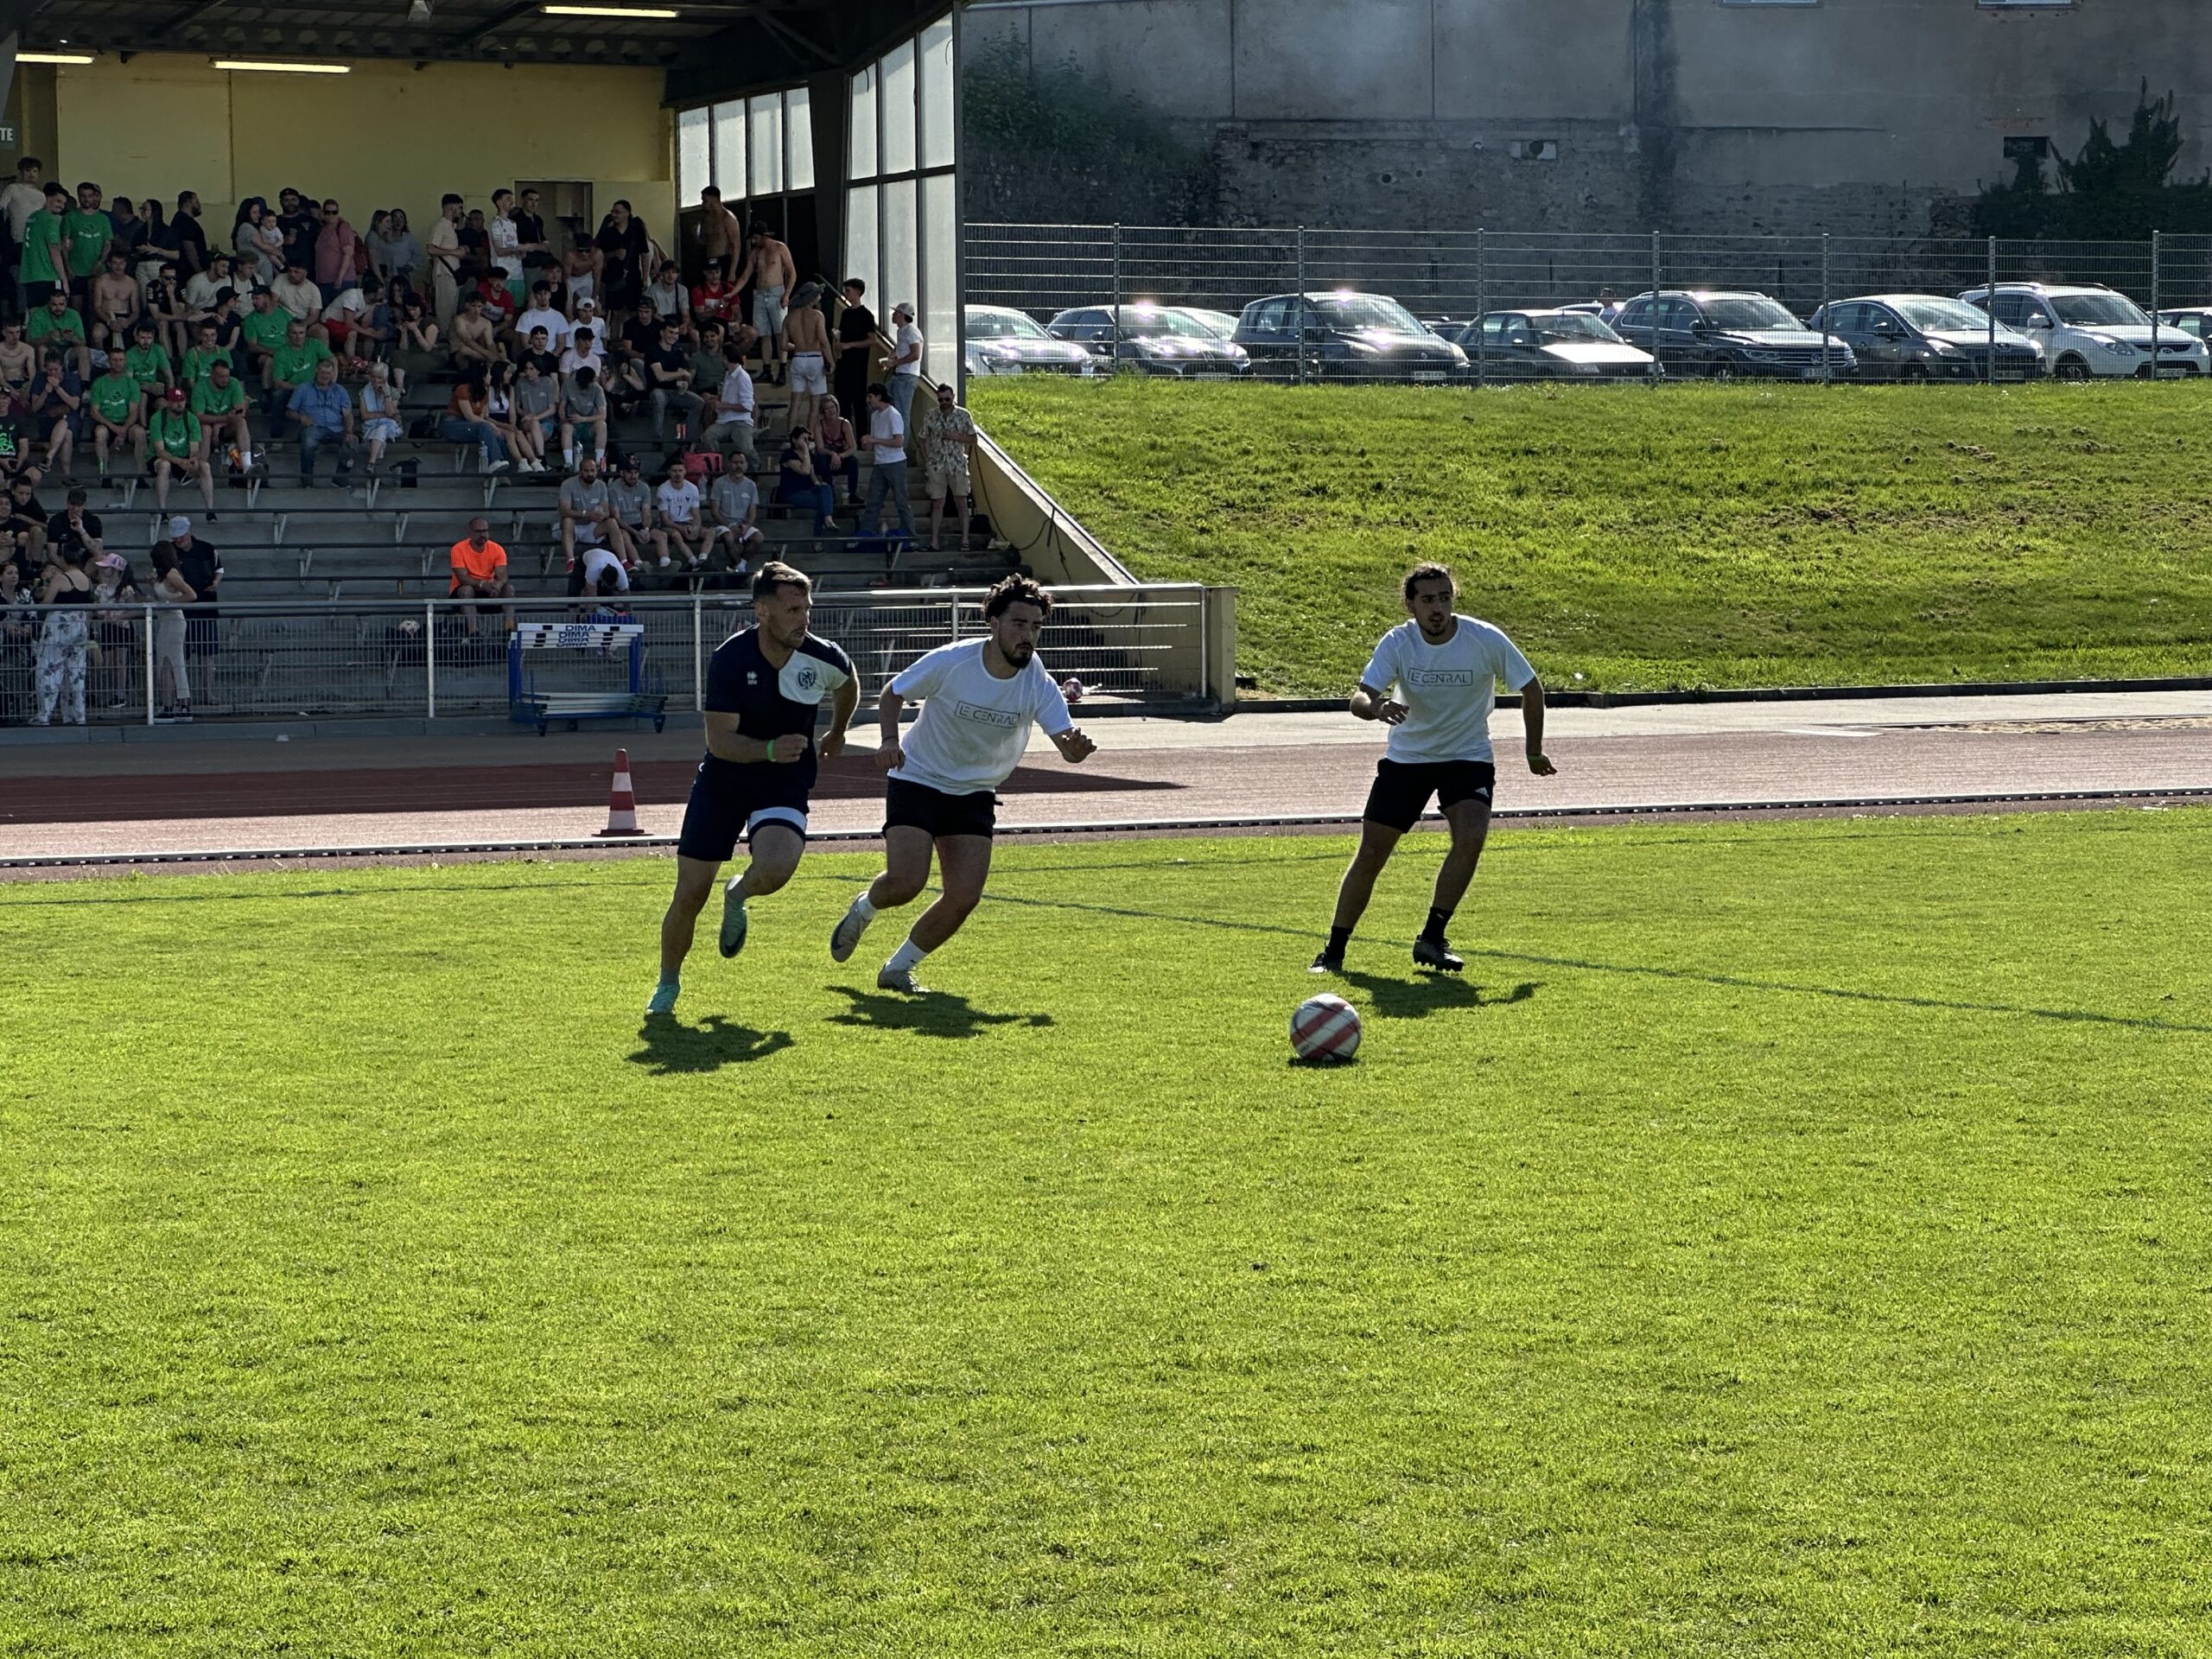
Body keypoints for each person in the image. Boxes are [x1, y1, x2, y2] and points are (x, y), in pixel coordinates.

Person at [830, 573, 1097, 993]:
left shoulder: (1039, 684)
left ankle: (897, 970)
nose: (1028, 636)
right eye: (1019, 624)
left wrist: (1075, 749)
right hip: (918, 777)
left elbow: (1066, 743)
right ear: (994, 623)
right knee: (906, 882)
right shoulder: (954, 661)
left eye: (1035, 627)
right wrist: (889, 740)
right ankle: (864, 909)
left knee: (964, 897)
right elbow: (893, 693)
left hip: (974, 792)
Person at [1311, 562, 1558, 977]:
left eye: (1445, 597)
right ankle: (1333, 952)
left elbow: (1532, 689)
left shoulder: (1484, 638)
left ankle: (1433, 936)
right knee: (1372, 853)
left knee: (1472, 837)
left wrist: (1533, 752)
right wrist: (1377, 707)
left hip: (1467, 756)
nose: (1438, 608)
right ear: (1411, 605)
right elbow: (1359, 698)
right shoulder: (1399, 642)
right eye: (1428, 600)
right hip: (1408, 759)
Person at [647, 561, 858, 1018]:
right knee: (690, 893)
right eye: (793, 610)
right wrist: (769, 749)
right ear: (762, 612)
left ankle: (738, 895)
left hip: (784, 779)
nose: (804, 620)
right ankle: (667, 984)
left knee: (778, 868)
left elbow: (848, 684)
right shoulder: (730, 658)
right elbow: (719, 742)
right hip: (725, 779)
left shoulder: (823, 655)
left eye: (807, 609)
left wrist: (838, 731)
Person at [32, 541, 92, 726]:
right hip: (79, 624)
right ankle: (77, 714)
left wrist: (44, 589)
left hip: (59, 626)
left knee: (49, 669)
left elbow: (47, 603)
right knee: (76, 671)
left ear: (62, 557)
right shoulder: (86, 579)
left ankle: (44, 714)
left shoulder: (61, 578)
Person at [916, 381, 977, 552]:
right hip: (937, 464)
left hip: (957, 464)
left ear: (953, 397)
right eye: (941, 399)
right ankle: (934, 542)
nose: (944, 402)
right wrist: (927, 460)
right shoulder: (931, 415)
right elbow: (922, 438)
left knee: (962, 502)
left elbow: (973, 439)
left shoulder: (963, 415)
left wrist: (955, 436)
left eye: (947, 399)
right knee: (937, 503)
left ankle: (965, 541)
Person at [734, 219, 797, 382]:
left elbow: (792, 273)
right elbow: (746, 276)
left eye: (755, 238)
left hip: (777, 293)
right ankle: (767, 369)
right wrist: (732, 293)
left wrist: (787, 294)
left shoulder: (780, 248)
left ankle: (782, 368)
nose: (753, 241)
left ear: (762, 235)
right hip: (760, 295)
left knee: (780, 333)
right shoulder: (755, 253)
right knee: (764, 334)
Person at [858, 381, 914, 549]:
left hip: (895, 463)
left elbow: (898, 442)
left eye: (871, 397)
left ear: (879, 397)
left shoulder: (893, 414)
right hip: (879, 463)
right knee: (873, 501)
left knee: (901, 501)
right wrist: (868, 443)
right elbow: (875, 439)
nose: (869, 400)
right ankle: (866, 535)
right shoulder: (875, 416)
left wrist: (875, 440)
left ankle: (910, 535)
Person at [147, 539, 197, 721]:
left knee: (170, 662)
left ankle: (173, 705)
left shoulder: (172, 575)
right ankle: (179, 704)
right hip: (165, 620)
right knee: (169, 662)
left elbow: (191, 594)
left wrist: (168, 604)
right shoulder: (162, 576)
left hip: (174, 619)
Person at [288, 355, 354, 487]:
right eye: (323, 372)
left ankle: (340, 478)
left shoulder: (340, 390)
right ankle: (307, 479)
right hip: (314, 426)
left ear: (333, 374)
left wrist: (349, 431)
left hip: (336, 428)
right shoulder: (303, 388)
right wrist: (301, 418)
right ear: (316, 371)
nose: (325, 376)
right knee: (309, 440)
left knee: (352, 442)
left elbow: (348, 414)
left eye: (328, 373)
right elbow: (289, 411)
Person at [148, 386, 214, 516]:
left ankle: (210, 510)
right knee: (164, 465)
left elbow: (194, 448)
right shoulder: (157, 419)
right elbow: (160, 451)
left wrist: (194, 459)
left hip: (183, 457)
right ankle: (162, 510)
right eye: (175, 401)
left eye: (182, 400)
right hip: (161, 457)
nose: (179, 404)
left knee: (205, 466)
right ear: (168, 402)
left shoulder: (191, 419)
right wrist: (179, 461)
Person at [559, 454, 630, 572]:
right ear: (580, 472)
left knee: (612, 522)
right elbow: (564, 511)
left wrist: (601, 515)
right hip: (574, 527)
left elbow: (607, 511)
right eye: (586, 471)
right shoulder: (568, 484)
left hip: (592, 527)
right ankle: (570, 560)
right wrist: (587, 514)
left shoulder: (601, 486)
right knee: (567, 521)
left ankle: (624, 561)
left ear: (596, 471)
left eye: (592, 471)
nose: (590, 474)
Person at [171, 515, 223, 666]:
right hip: (182, 608)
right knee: (180, 652)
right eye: (175, 538)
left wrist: (216, 581)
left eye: (181, 536)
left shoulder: (207, 548)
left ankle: (207, 682)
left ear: (188, 532)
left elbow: (219, 569)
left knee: (207, 653)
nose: (178, 540)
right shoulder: (170, 552)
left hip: (206, 605)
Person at [448, 515, 513, 634]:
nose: (482, 534)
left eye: (485, 531)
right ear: (470, 533)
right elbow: (462, 577)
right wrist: (482, 584)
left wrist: (498, 585)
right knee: (466, 590)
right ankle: (473, 632)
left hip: (489, 590)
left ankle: (509, 630)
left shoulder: (497, 549)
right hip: (463, 593)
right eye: (478, 531)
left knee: (508, 589)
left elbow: (502, 575)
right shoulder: (458, 549)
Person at [783, 282, 832, 435]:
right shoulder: (818, 316)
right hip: (815, 359)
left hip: (798, 359)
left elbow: (783, 345)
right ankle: (809, 438)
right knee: (814, 404)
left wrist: (798, 346)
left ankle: (791, 437)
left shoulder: (789, 317)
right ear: (812, 297)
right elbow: (823, 341)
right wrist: (831, 361)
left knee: (795, 402)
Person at [189, 356, 251, 480]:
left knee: (241, 422)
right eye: (221, 377)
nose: (225, 380)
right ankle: (202, 470)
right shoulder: (200, 386)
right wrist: (223, 419)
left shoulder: (234, 383)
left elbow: (240, 412)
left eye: (227, 376)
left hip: (225, 427)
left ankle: (247, 466)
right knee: (206, 429)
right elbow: (198, 416)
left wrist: (220, 424)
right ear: (212, 375)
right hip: (205, 429)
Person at [85, 356, 145, 477]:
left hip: (126, 424)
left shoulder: (132, 383)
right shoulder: (99, 383)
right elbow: (94, 412)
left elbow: (134, 412)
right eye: (115, 360)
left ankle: (140, 474)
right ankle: (104, 474)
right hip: (106, 423)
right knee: (100, 433)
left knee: (140, 432)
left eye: (121, 360)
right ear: (109, 362)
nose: (118, 363)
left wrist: (123, 430)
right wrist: (114, 428)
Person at [442, 372, 512, 474]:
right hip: (455, 424)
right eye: (488, 374)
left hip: (473, 426)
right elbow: (470, 416)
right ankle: (494, 460)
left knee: (498, 435)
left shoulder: (485, 392)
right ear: (482, 377)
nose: (491, 377)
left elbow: (481, 417)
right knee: (485, 426)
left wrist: (492, 428)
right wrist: (491, 425)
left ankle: (503, 471)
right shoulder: (463, 389)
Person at [16, 184, 70, 313]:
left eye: (64, 203)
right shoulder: (50, 220)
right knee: (50, 314)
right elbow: (54, 250)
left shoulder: (33, 217)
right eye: (58, 201)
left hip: (29, 273)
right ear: (47, 199)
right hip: (46, 274)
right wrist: (64, 279)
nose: (61, 206)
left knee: (34, 313)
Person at [707, 451, 763, 571]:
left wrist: (746, 526)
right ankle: (740, 569)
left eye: (742, 463)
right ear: (729, 464)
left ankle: (739, 564)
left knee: (758, 538)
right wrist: (729, 526)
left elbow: (753, 512)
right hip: (723, 524)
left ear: (746, 465)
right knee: (728, 537)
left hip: (742, 524)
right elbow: (715, 511)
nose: (739, 466)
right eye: (735, 463)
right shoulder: (719, 483)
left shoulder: (751, 485)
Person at [646, 318, 701, 440]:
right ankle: (657, 439)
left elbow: (681, 376)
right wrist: (681, 373)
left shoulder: (678, 351)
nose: (674, 336)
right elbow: (660, 376)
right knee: (659, 397)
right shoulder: (653, 350)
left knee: (698, 402)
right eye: (670, 332)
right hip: (657, 390)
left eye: (676, 333)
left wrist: (683, 383)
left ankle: (687, 440)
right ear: (662, 333)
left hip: (675, 391)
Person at [702, 341, 755, 467]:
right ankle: (717, 466)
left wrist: (722, 405)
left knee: (745, 448)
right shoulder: (728, 375)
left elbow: (747, 406)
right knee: (708, 436)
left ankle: (755, 468)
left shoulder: (743, 377)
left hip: (741, 421)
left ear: (726, 357)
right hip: (724, 421)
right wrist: (716, 399)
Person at [776, 426, 836, 535]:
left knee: (826, 489)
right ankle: (821, 530)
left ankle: (827, 520)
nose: (807, 442)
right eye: (804, 439)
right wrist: (806, 450)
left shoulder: (809, 456)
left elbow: (812, 474)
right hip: (793, 492)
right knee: (823, 503)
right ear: (794, 440)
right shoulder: (788, 455)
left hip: (808, 489)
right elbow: (805, 470)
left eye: (808, 439)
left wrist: (818, 485)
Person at [594, 200, 651, 315]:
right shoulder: (607, 232)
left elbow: (644, 254)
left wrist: (645, 277)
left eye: (618, 212)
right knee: (614, 312)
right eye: (613, 212)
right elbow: (597, 254)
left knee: (634, 310)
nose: (614, 215)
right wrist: (614, 254)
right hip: (612, 277)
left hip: (633, 276)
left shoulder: (637, 231)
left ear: (627, 213)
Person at [29, 354, 79, 476]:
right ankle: (66, 475)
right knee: (67, 434)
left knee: (66, 424)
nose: (53, 373)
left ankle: (49, 457)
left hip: (71, 419)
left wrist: (57, 388)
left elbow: (75, 405)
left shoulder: (72, 379)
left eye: (56, 369)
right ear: (45, 368)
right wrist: (46, 391)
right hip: (47, 421)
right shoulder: (39, 378)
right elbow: (35, 407)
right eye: (49, 370)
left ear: (62, 367)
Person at [62, 182, 114, 300]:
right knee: (76, 304)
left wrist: (100, 262)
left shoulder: (103, 219)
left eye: (89, 196)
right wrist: (67, 266)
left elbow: (107, 243)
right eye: (83, 196)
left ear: (94, 197)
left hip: (97, 269)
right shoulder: (70, 217)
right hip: (75, 270)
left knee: (96, 304)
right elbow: (64, 244)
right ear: (78, 196)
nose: (86, 199)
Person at [607, 455, 659, 568]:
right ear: (622, 473)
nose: (633, 476)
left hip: (639, 523)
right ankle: (638, 563)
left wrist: (646, 529)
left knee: (662, 536)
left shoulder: (644, 487)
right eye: (630, 473)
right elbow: (616, 517)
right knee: (624, 535)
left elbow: (646, 512)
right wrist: (634, 532)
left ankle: (665, 564)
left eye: (636, 473)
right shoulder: (613, 489)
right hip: (622, 525)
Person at [28, 289, 89, 383]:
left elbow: (82, 342)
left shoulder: (74, 314)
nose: (58, 308)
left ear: (66, 303)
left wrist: (72, 338)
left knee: (83, 350)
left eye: (61, 304)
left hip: (67, 351)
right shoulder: (38, 315)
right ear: (49, 303)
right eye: (54, 305)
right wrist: (48, 338)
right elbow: (31, 343)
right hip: (49, 350)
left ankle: (84, 384)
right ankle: (43, 382)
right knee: (41, 349)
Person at [87, 251, 143, 353]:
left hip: (124, 318)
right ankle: (100, 360)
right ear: (109, 264)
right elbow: (97, 307)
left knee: (141, 334)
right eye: (115, 263)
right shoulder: (101, 281)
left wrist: (128, 321)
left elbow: (136, 311)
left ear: (125, 264)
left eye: (121, 263)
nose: (118, 266)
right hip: (106, 316)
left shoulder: (132, 283)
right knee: (97, 334)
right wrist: (109, 321)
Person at [656, 455, 706, 569]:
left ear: (685, 471)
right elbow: (665, 519)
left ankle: (703, 558)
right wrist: (681, 529)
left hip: (688, 522)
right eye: (674, 471)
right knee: (676, 535)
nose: (677, 474)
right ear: (669, 472)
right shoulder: (663, 489)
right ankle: (694, 562)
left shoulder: (692, 488)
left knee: (710, 534)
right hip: (671, 525)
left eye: (680, 470)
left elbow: (696, 514)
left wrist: (696, 528)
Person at [812, 393, 861, 509]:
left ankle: (852, 494)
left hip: (841, 458)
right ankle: (830, 495)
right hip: (826, 459)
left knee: (853, 461)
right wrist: (833, 454)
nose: (831, 411)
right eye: (827, 408)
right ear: (823, 411)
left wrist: (840, 456)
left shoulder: (845, 423)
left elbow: (853, 447)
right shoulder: (819, 425)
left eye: (832, 407)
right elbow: (820, 448)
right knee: (821, 460)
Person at [510, 356, 556, 473]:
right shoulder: (521, 382)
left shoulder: (547, 382)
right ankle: (542, 459)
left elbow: (552, 409)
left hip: (545, 422)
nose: (528, 372)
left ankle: (535, 466)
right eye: (526, 369)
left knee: (531, 436)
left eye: (531, 369)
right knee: (533, 424)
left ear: (538, 371)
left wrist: (536, 417)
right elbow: (517, 406)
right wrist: (526, 415)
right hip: (526, 420)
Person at [557, 363, 608, 468]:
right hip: (573, 424)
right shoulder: (568, 384)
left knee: (602, 425)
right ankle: (569, 463)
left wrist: (583, 419)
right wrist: (564, 419)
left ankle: (598, 462)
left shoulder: (597, 389)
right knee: (566, 427)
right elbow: (562, 406)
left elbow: (603, 415)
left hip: (589, 424)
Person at [886, 301, 924, 433]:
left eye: (896, 313)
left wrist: (894, 363)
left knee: (902, 413)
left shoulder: (911, 332)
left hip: (907, 376)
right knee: (882, 400)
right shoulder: (901, 331)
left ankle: (902, 442)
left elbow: (915, 354)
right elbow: (901, 347)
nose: (893, 315)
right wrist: (889, 358)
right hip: (899, 374)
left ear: (901, 315)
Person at [428, 194, 465, 327]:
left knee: (452, 310)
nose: (461, 211)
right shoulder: (441, 226)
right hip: (444, 273)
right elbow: (431, 249)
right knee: (445, 311)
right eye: (459, 208)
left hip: (452, 274)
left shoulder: (450, 227)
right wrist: (454, 252)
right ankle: (444, 335)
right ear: (452, 208)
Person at [358, 360, 403, 471]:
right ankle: (375, 461)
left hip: (389, 425)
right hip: (370, 425)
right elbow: (365, 415)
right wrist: (384, 415)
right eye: (373, 377)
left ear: (385, 378)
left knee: (382, 428)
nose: (376, 380)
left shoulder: (392, 392)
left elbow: (391, 413)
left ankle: (371, 463)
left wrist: (387, 395)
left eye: (379, 377)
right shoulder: (364, 392)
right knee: (380, 429)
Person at [313, 200, 359, 303]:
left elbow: (348, 254)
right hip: (324, 280)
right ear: (323, 212)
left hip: (342, 280)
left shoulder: (343, 227)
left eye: (334, 212)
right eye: (327, 212)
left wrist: (340, 277)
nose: (331, 215)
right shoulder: (323, 229)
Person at [697, 185, 742, 280]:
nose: (703, 204)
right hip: (709, 260)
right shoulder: (706, 219)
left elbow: (736, 245)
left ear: (713, 199)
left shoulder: (728, 218)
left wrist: (732, 271)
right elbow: (703, 241)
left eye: (705, 200)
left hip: (724, 260)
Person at [486, 188, 523, 283]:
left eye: (512, 199)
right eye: (508, 199)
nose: (512, 202)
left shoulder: (513, 224)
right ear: (499, 203)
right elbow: (499, 251)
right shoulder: (496, 224)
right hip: (503, 274)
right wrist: (519, 248)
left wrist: (524, 250)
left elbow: (515, 247)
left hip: (518, 273)